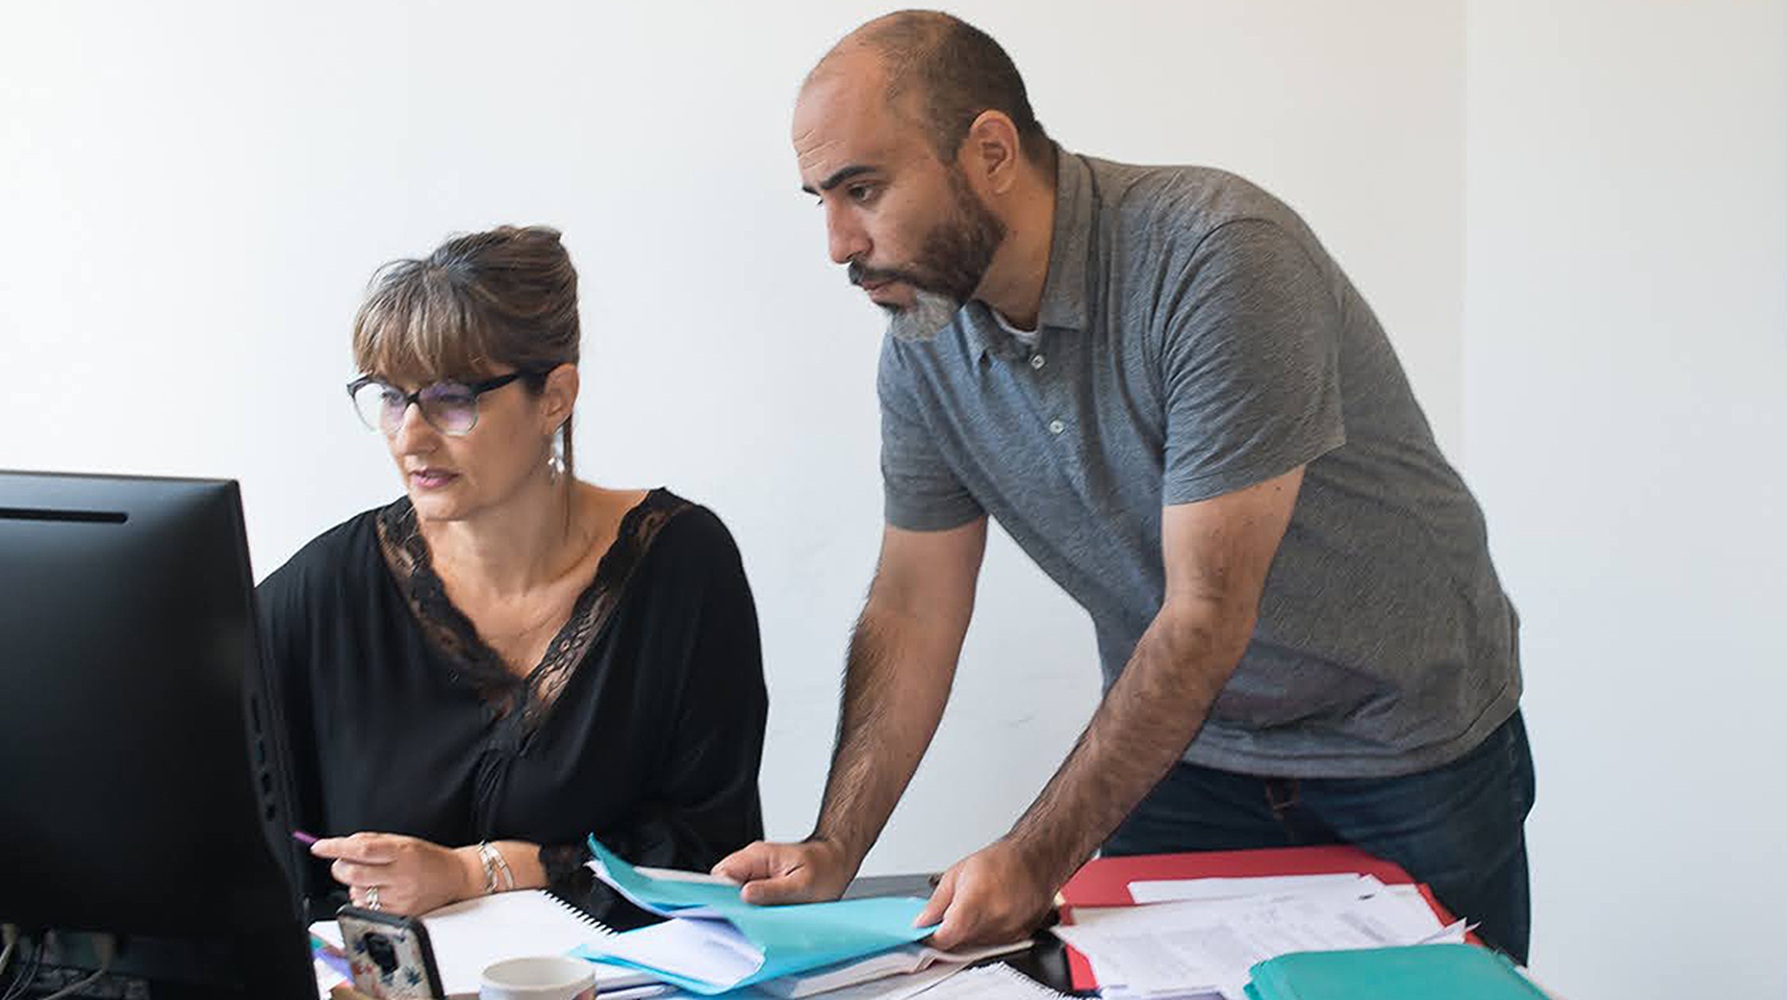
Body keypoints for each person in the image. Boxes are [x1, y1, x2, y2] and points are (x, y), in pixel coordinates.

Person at [716, 11, 1536, 962]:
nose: (836, 242)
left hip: (1406, 748)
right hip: (1192, 753)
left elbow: (1206, 616)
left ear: (990, 152)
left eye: (862, 189)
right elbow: (913, 607)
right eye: (820, 198)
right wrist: (834, 846)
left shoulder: (1218, 256)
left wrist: (1034, 857)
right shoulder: (924, 343)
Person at [258, 225, 767, 917]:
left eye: (451, 398)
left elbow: (711, 852)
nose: (410, 436)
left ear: (555, 396)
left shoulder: (683, 566)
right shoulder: (327, 591)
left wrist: (478, 871)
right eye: (391, 397)